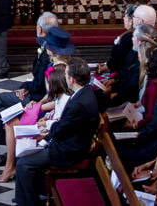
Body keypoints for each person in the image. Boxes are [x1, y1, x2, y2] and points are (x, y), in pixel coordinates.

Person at [0, 21, 71, 153]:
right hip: (40, 97)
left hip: (39, 99)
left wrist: (34, 100)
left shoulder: (56, 67)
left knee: (1, 99)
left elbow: (48, 90)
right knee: (4, 107)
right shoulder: (51, 60)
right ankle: (3, 148)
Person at [13, 57, 100, 206]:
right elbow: (65, 125)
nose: (64, 77)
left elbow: (61, 129)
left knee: (23, 163)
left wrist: (46, 134)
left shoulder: (79, 103)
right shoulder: (84, 93)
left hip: (69, 151)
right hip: (70, 141)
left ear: (71, 79)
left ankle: (26, 202)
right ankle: (35, 193)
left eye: (66, 74)